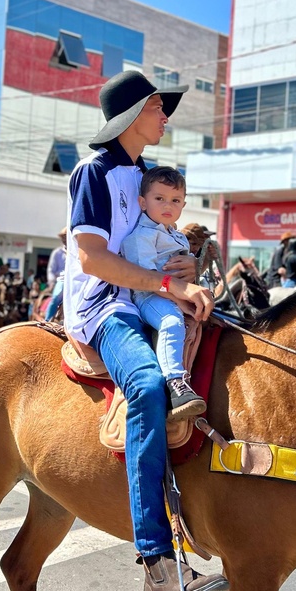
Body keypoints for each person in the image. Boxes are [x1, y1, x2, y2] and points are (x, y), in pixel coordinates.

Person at [63, 69, 226, 591]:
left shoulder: (141, 175)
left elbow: (150, 239)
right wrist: (167, 283)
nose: (166, 117)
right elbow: (93, 258)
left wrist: (181, 260)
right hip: (103, 307)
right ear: (133, 115)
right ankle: (157, 560)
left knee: (226, 343)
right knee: (150, 386)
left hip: (143, 297)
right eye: (159, 108)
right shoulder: (95, 172)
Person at [120, 166, 207, 421]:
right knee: (171, 321)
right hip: (151, 297)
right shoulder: (141, 237)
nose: (168, 205)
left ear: (183, 205)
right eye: (160, 198)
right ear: (142, 202)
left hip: (179, 294)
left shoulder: (178, 237)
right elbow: (148, 280)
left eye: (175, 200)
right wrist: (182, 298)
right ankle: (175, 383)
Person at [44, 228, 68, 322]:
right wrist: (52, 282)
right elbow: (51, 269)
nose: (64, 239)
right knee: (56, 297)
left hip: (75, 280)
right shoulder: (57, 253)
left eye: (66, 237)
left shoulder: (77, 251)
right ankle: (47, 321)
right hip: (61, 280)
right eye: (62, 237)